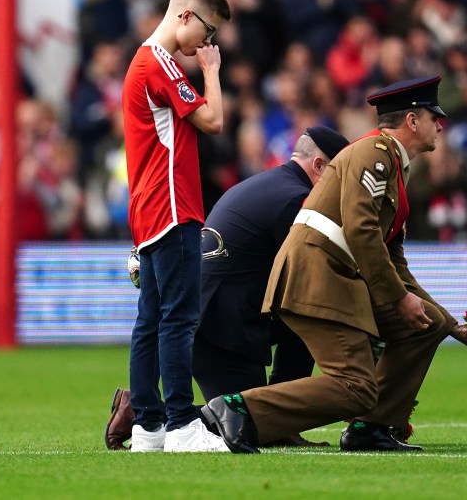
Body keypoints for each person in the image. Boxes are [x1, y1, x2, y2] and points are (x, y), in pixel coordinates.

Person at [200, 76, 467, 454]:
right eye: (433, 116)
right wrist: (397, 298)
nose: (441, 124)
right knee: (355, 387)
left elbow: (392, 259)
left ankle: (373, 428)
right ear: (411, 121)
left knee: (426, 325)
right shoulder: (375, 154)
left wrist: (452, 324)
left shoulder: (392, 167)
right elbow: (361, 230)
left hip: (329, 273)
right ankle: (240, 407)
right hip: (318, 275)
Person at [104, 126, 350, 450]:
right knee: (245, 422)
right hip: (223, 331)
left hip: (215, 319)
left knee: (303, 321)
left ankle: (281, 424)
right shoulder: (294, 199)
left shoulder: (271, 184)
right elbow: (315, 274)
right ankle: (144, 410)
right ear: (319, 166)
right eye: (338, 174)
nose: (342, 188)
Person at [121, 0, 231, 453]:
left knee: (151, 318)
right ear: (185, 15)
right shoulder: (158, 63)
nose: (208, 44)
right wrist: (212, 70)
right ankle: (182, 423)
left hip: (150, 204)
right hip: (170, 203)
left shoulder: (147, 61)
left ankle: (148, 426)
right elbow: (214, 120)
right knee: (179, 317)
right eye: (208, 32)